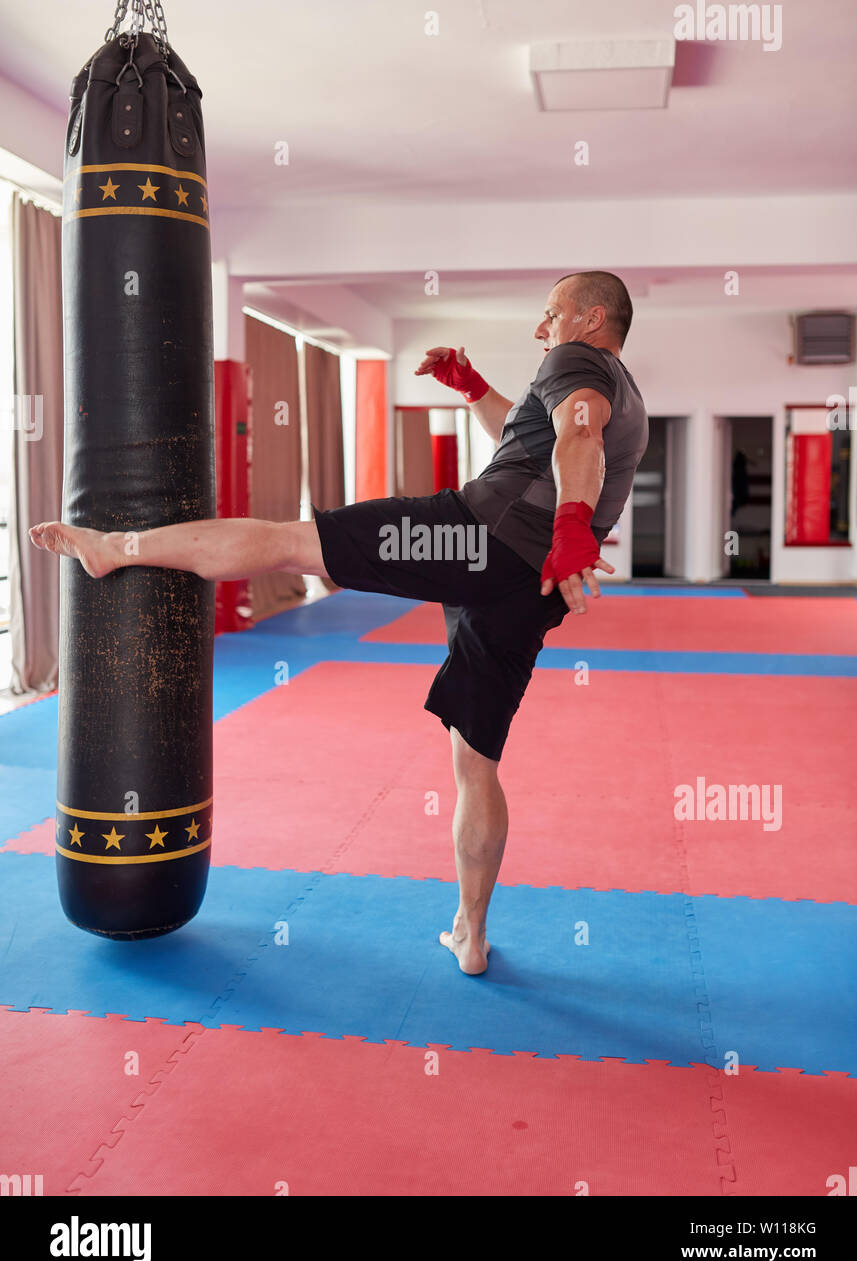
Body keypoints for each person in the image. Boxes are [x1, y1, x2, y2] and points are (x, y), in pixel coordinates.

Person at [30, 270, 648, 976]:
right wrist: (475, 389)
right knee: (475, 763)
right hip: (528, 586)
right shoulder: (627, 393)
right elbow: (539, 431)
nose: (541, 329)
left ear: (591, 317)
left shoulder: (578, 363)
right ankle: (470, 936)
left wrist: (572, 523)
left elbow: (578, 436)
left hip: (473, 538)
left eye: (550, 314)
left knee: (295, 541)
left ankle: (116, 550)